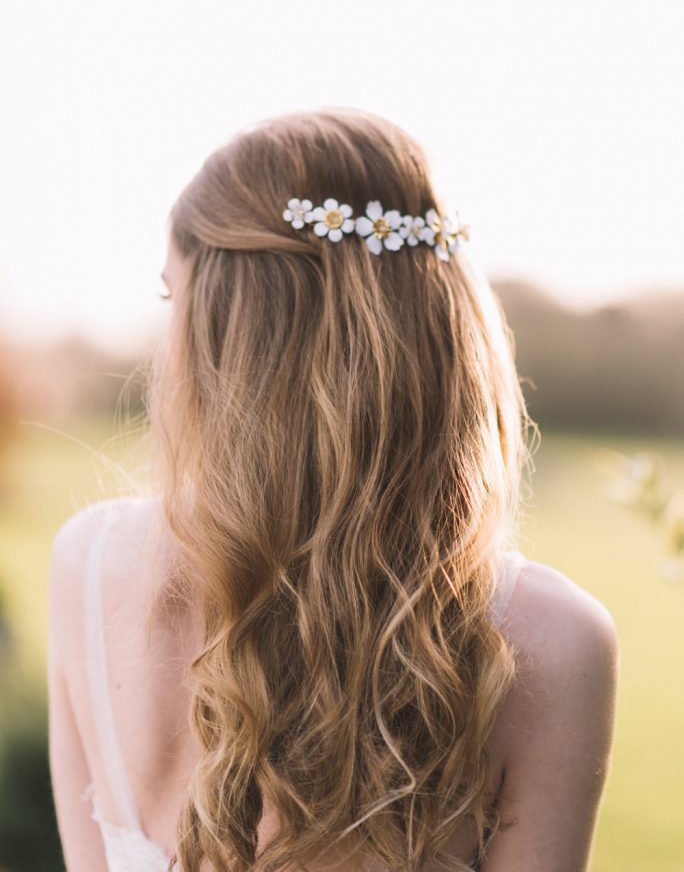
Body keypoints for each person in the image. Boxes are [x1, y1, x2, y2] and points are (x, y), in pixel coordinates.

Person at [47, 107, 619, 872]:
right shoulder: (552, 643)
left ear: (225, 334)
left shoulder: (89, 569)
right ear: (441, 327)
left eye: (169, 298)